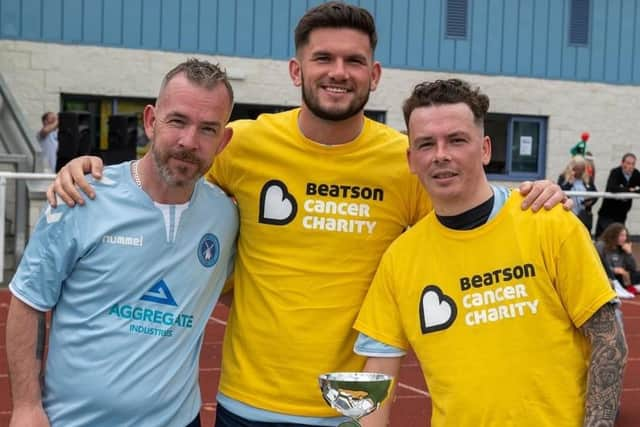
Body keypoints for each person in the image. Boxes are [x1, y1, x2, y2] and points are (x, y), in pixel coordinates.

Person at [46, 3, 571, 425]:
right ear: (297, 69)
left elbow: (467, 210)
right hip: (247, 402)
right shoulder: (243, 144)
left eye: (354, 61)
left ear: (375, 73)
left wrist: (533, 194)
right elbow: (164, 168)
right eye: (323, 59)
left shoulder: (403, 160)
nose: (338, 73)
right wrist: (90, 168)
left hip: (349, 407)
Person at [354, 79, 627, 427]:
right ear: (411, 159)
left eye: (456, 140)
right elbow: (377, 373)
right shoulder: (400, 258)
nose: (441, 155)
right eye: (426, 144)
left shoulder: (548, 223)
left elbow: (608, 339)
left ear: (484, 149)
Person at [6, 59, 237, 427]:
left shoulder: (226, 217)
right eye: (177, 121)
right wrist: (26, 406)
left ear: (223, 141)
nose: (189, 141)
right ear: (150, 121)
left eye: (208, 129)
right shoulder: (81, 196)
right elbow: (28, 301)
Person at [595, 153, 640, 238]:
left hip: (622, 214)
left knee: (617, 239)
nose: (630, 166)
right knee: (602, 238)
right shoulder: (615, 172)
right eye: (628, 163)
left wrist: (632, 190)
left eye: (633, 164)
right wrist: (630, 190)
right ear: (622, 163)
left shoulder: (636, 174)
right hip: (607, 213)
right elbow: (612, 187)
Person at [596, 222, 640, 296]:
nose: (624, 238)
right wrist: (614, 270)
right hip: (606, 277)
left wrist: (629, 253)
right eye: (621, 235)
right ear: (613, 235)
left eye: (625, 235)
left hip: (621, 277)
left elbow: (633, 269)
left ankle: (631, 287)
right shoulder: (601, 246)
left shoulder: (622, 248)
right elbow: (597, 265)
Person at [557, 154, 597, 232]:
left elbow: (595, 194)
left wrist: (590, 201)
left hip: (583, 214)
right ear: (572, 168)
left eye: (581, 170)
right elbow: (560, 192)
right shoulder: (563, 177)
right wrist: (569, 183)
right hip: (568, 213)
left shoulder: (587, 179)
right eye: (577, 169)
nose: (579, 172)